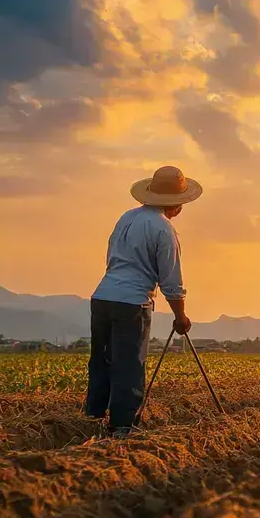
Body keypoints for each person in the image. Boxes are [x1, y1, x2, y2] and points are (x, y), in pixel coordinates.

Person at [85, 165, 201, 437]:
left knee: (102, 359)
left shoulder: (127, 217)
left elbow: (111, 255)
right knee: (129, 363)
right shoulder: (164, 230)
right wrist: (180, 315)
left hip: (103, 295)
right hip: (132, 302)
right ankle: (123, 426)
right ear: (178, 205)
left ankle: (94, 415)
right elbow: (171, 279)